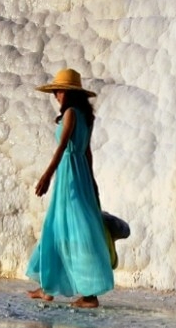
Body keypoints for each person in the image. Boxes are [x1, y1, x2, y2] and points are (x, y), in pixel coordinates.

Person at [26, 68, 115, 308]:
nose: (55, 94)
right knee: (62, 225)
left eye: (58, 90)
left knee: (73, 227)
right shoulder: (87, 117)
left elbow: (63, 147)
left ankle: (90, 294)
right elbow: (87, 152)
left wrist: (47, 175)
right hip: (81, 175)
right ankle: (47, 287)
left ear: (69, 93)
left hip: (69, 175)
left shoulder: (71, 115)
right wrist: (93, 182)